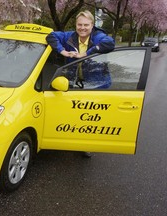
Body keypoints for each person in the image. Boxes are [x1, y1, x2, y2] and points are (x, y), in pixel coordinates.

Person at [46, 10, 115, 157]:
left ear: (92, 25)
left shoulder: (98, 37)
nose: (82, 28)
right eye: (79, 24)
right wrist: (62, 51)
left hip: (97, 83)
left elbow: (109, 43)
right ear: (76, 25)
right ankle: (70, 139)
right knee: (74, 114)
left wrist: (87, 53)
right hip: (75, 81)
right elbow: (51, 36)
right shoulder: (69, 36)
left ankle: (86, 145)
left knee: (91, 117)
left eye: (86, 25)